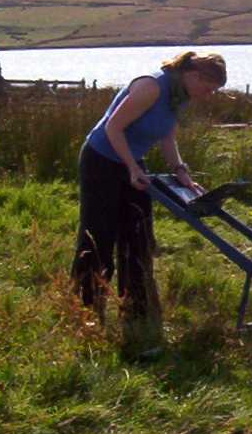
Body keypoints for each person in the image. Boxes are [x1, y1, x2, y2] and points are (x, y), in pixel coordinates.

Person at [70, 51, 226, 357]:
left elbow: (167, 135)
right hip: (101, 161)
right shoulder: (152, 87)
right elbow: (113, 128)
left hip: (132, 163)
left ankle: (138, 315)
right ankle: (86, 314)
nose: (208, 96)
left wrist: (181, 171)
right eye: (208, 89)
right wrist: (131, 167)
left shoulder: (179, 96)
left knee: (138, 237)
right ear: (194, 76)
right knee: (98, 238)